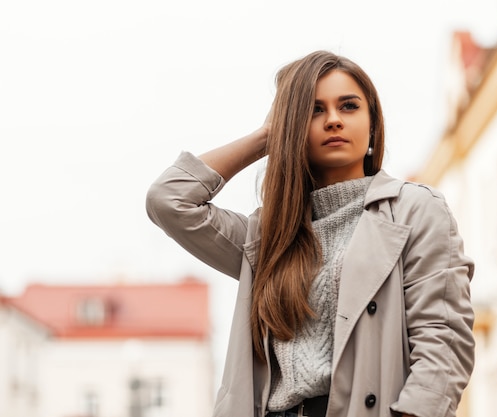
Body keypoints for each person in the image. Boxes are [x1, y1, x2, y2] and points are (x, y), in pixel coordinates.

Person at [146, 50, 475, 417]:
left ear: (372, 126)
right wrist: (267, 136)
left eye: (348, 106)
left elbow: (442, 341)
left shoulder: (415, 209)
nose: (333, 119)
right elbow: (170, 200)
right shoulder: (266, 237)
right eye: (314, 110)